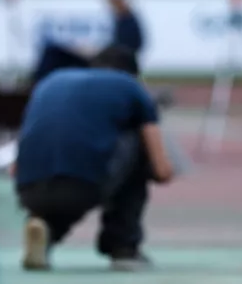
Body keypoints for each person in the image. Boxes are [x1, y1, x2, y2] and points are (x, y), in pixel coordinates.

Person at [13, 44, 176, 272]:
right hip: (82, 186)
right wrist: (157, 171)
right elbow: (162, 169)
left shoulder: (51, 81)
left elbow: (21, 149)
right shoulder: (131, 87)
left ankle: (45, 231)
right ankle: (123, 247)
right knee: (136, 145)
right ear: (133, 73)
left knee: (70, 180)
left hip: (28, 189)